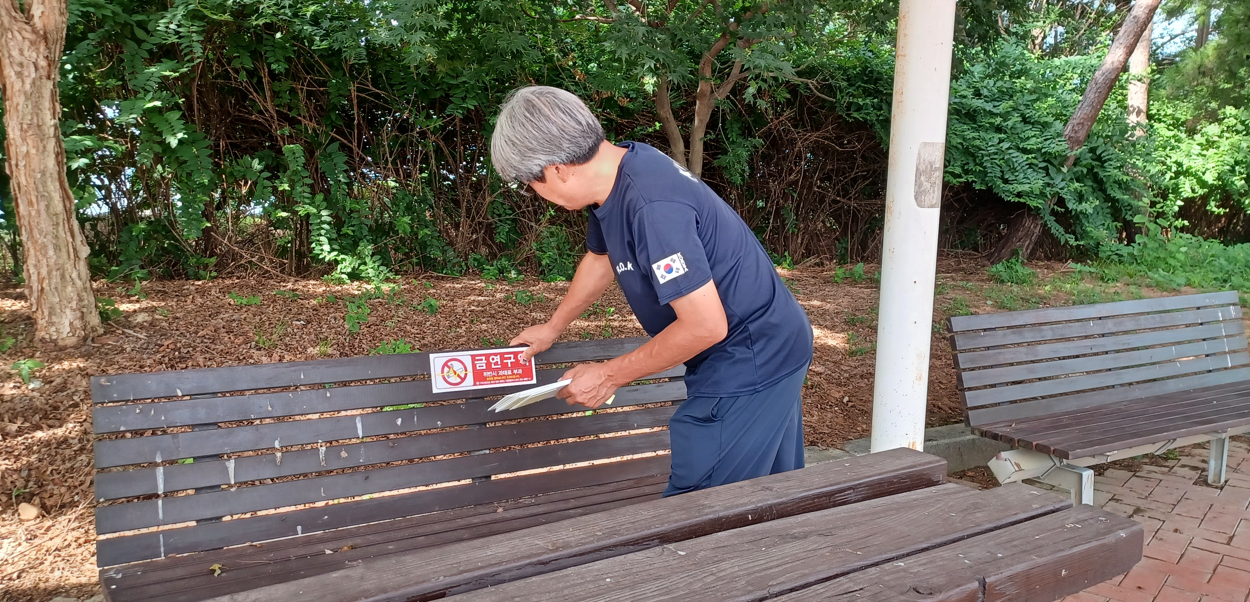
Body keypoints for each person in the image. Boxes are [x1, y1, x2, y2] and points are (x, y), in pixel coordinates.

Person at [492, 86, 813, 496]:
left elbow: (704, 327)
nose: (536, 195)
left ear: (557, 169)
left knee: (699, 509)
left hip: (750, 357)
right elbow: (601, 258)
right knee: (768, 497)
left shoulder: (653, 207)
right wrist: (553, 327)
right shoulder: (622, 169)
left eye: (528, 183)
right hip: (773, 342)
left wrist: (607, 376)